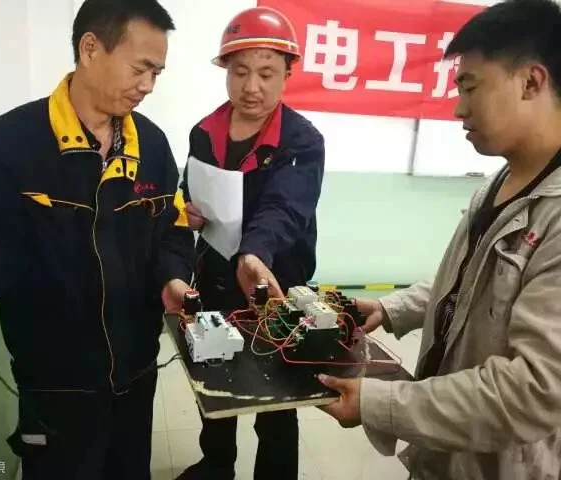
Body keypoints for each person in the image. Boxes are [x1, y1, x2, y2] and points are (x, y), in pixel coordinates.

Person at [0, 0, 195, 479]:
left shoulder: (152, 146)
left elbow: (172, 231)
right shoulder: (10, 143)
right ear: (90, 48)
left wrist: (173, 278)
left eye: (157, 73)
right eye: (140, 69)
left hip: (136, 371)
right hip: (52, 383)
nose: (148, 85)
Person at [316, 0, 561, 478]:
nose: (458, 107)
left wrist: (380, 403)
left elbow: (535, 388)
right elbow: (468, 284)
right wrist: (390, 308)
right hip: (447, 452)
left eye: (470, 86)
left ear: (531, 82)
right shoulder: (499, 183)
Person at [175, 7, 325, 480]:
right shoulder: (204, 132)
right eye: (240, 72)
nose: (251, 86)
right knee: (214, 378)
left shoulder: (302, 141)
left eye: (266, 73)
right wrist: (186, 210)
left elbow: (286, 208)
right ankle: (216, 465)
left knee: (277, 396)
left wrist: (255, 254)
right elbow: (189, 188)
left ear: (288, 74)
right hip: (214, 278)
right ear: (225, 70)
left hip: (271, 284)